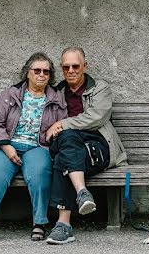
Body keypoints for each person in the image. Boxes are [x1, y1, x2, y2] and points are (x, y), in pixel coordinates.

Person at [0, 52, 67, 243]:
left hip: (37, 146)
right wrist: (6, 146)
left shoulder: (57, 99)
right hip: (6, 145)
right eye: (37, 70)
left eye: (46, 72)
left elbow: (63, 124)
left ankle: (39, 223)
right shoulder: (10, 94)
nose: (41, 75)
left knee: (40, 172)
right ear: (27, 73)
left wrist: (55, 130)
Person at [44, 46, 128, 245]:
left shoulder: (100, 88)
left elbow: (96, 117)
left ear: (85, 66)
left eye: (75, 66)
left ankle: (63, 225)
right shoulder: (56, 93)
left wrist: (63, 124)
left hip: (98, 145)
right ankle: (82, 192)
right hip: (68, 145)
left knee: (63, 157)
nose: (71, 71)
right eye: (66, 67)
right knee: (67, 141)